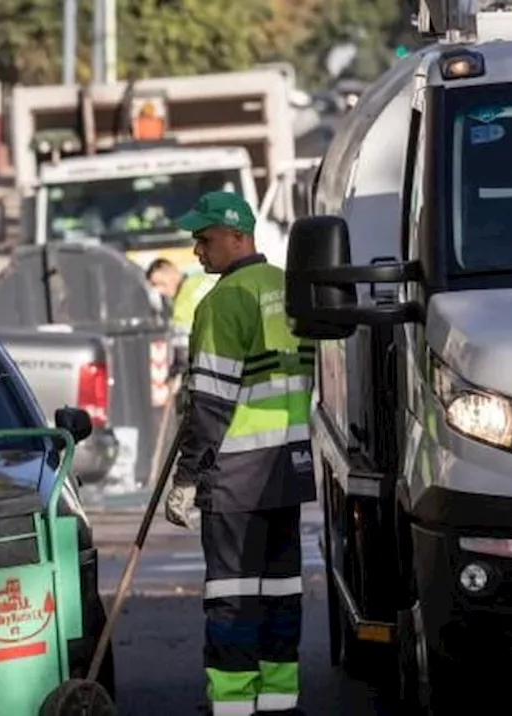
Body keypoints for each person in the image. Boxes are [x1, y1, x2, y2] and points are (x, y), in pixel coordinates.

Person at [163, 191, 316, 716]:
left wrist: (187, 478)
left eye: (204, 240)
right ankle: (278, 700)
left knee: (231, 594)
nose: (197, 252)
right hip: (287, 468)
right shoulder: (285, 290)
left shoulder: (224, 301)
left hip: (236, 476)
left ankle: (232, 705)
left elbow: (209, 404)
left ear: (237, 236)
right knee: (280, 590)